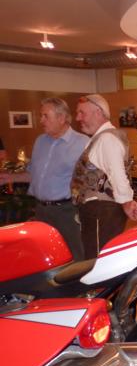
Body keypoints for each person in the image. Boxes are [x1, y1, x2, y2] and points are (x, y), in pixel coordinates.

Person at [0, 98, 89, 259]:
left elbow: (91, 180)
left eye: (45, 116)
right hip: (41, 210)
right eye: (41, 116)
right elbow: (35, 175)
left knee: (75, 254)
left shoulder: (83, 143)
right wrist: (9, 178)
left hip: (67, 211)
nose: (41, 120)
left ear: (61, 118)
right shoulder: (40, 141)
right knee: (47, 253)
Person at [71, 94, 137, 259]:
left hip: (101, 211)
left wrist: (126, 202)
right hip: (99, 210)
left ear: (98, 112)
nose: (78, 118)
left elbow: (117, 173)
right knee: (98, 257)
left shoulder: (107, 139)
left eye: (82, 113)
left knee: (98, 260)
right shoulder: (102, 138)